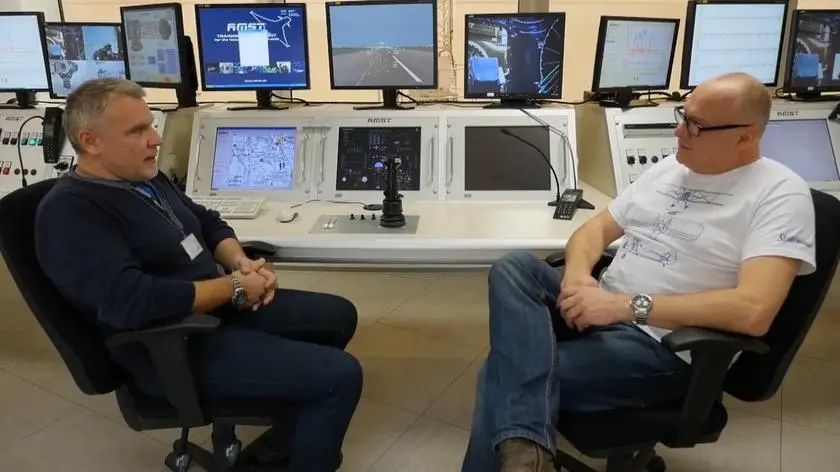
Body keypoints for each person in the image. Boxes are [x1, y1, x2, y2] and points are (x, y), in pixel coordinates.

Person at [461, 72, 817, 472]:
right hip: (601, 312)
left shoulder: (779, 195)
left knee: (503, 372)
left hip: (664, 348)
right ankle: (528, 451)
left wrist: (623, 307)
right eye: (683, 116)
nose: (678, 130)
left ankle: (525, 455)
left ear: (745, 137)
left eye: (695, 125)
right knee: (515, 267)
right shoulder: (669, 169)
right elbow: (593, 230)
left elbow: (753, 311)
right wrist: (578, 277)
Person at [34, 78, 361, 472]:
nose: (155, 139)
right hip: (171, 346)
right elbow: (134, 301)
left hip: (215, 309)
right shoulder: (70, 212)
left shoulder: (142, 177)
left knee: (338, 316)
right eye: (137, 131)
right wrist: (234, 286)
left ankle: (283, 444)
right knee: (340, 376)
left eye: (150, 124)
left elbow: (206, 221)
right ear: (91, 141)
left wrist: (238, 261)